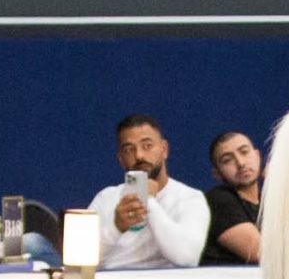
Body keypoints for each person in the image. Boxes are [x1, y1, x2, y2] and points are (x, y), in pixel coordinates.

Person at [86, 115, 208, 269]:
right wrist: (116, 227)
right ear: (121, 159)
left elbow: (186, 258)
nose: (139, 155)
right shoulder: (106, 197)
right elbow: (79, 260)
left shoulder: (190, 198)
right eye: (129, 149)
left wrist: (149, 201)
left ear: (164, 150)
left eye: (147, 145)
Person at [201, 129, 262, 266]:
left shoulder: (266, 202)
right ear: (217, 174)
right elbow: (260, 252)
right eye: (227, 160)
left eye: (244, 152)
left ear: (257, 156)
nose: (240, 163)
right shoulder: (218, 200)